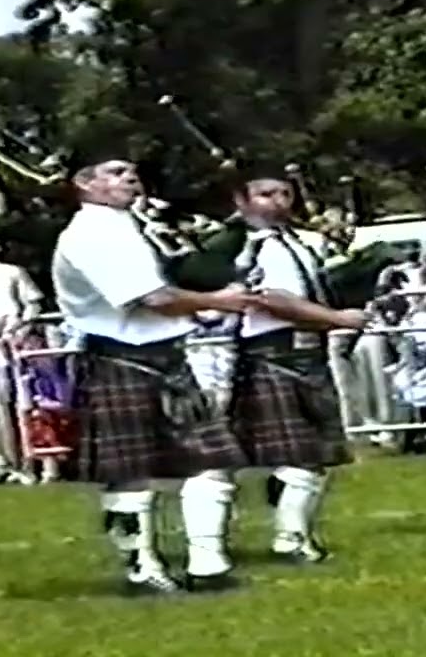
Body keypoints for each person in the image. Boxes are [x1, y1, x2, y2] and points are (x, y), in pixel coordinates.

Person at [52, 157, 259, 596]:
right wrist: (220, 300)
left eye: (131, 171)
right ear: (84, 184)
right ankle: (142, 569)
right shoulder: (90, 233)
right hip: (120, 357)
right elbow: (151, 297)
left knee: (210, 459)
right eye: (114, 172)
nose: (130, 177)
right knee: (130, 472)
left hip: (163, 353)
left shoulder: (129, 225)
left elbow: (172, 280)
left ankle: (208, 566)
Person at [177, 165, 367, 586]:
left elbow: (311, 289)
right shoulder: (239, 246)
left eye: (284, 193)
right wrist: (337, 318)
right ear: (241, 201)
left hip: (305, 354)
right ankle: (206, 554)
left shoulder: (297, 242)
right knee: (222, 458)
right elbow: (271, 300)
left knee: (312, 452)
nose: (279, 202)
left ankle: (291, 537)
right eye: (265, 194)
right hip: (264, 354)